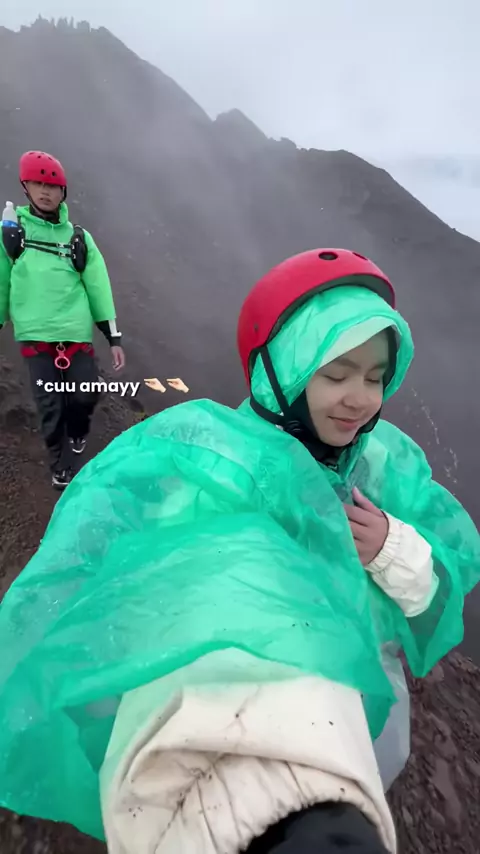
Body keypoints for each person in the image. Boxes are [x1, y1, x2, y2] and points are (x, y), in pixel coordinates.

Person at [0, 249, 479, 854]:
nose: (360, 398)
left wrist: (394, 549)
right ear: (280, 370)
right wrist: (279, 816)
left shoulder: (382, 462)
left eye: (375, 376)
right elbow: (214, 632)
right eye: (335, 374)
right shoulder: (217, 467)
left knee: (374, 763)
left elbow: (446, 579)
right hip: (273, 738)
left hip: (364, 696)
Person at [0, 150, 125, 490]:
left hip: (75, 335)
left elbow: (98, 286)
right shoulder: (12, 234)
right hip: (36, 338)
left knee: (85, 395)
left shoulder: (78, 238)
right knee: (50, 407)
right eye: (37, 183)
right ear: (25, 186)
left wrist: (113, 337)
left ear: (63, 192)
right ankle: (61, 465)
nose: (45, 191)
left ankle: (79, 433)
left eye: (53, 186)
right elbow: (1, 280)